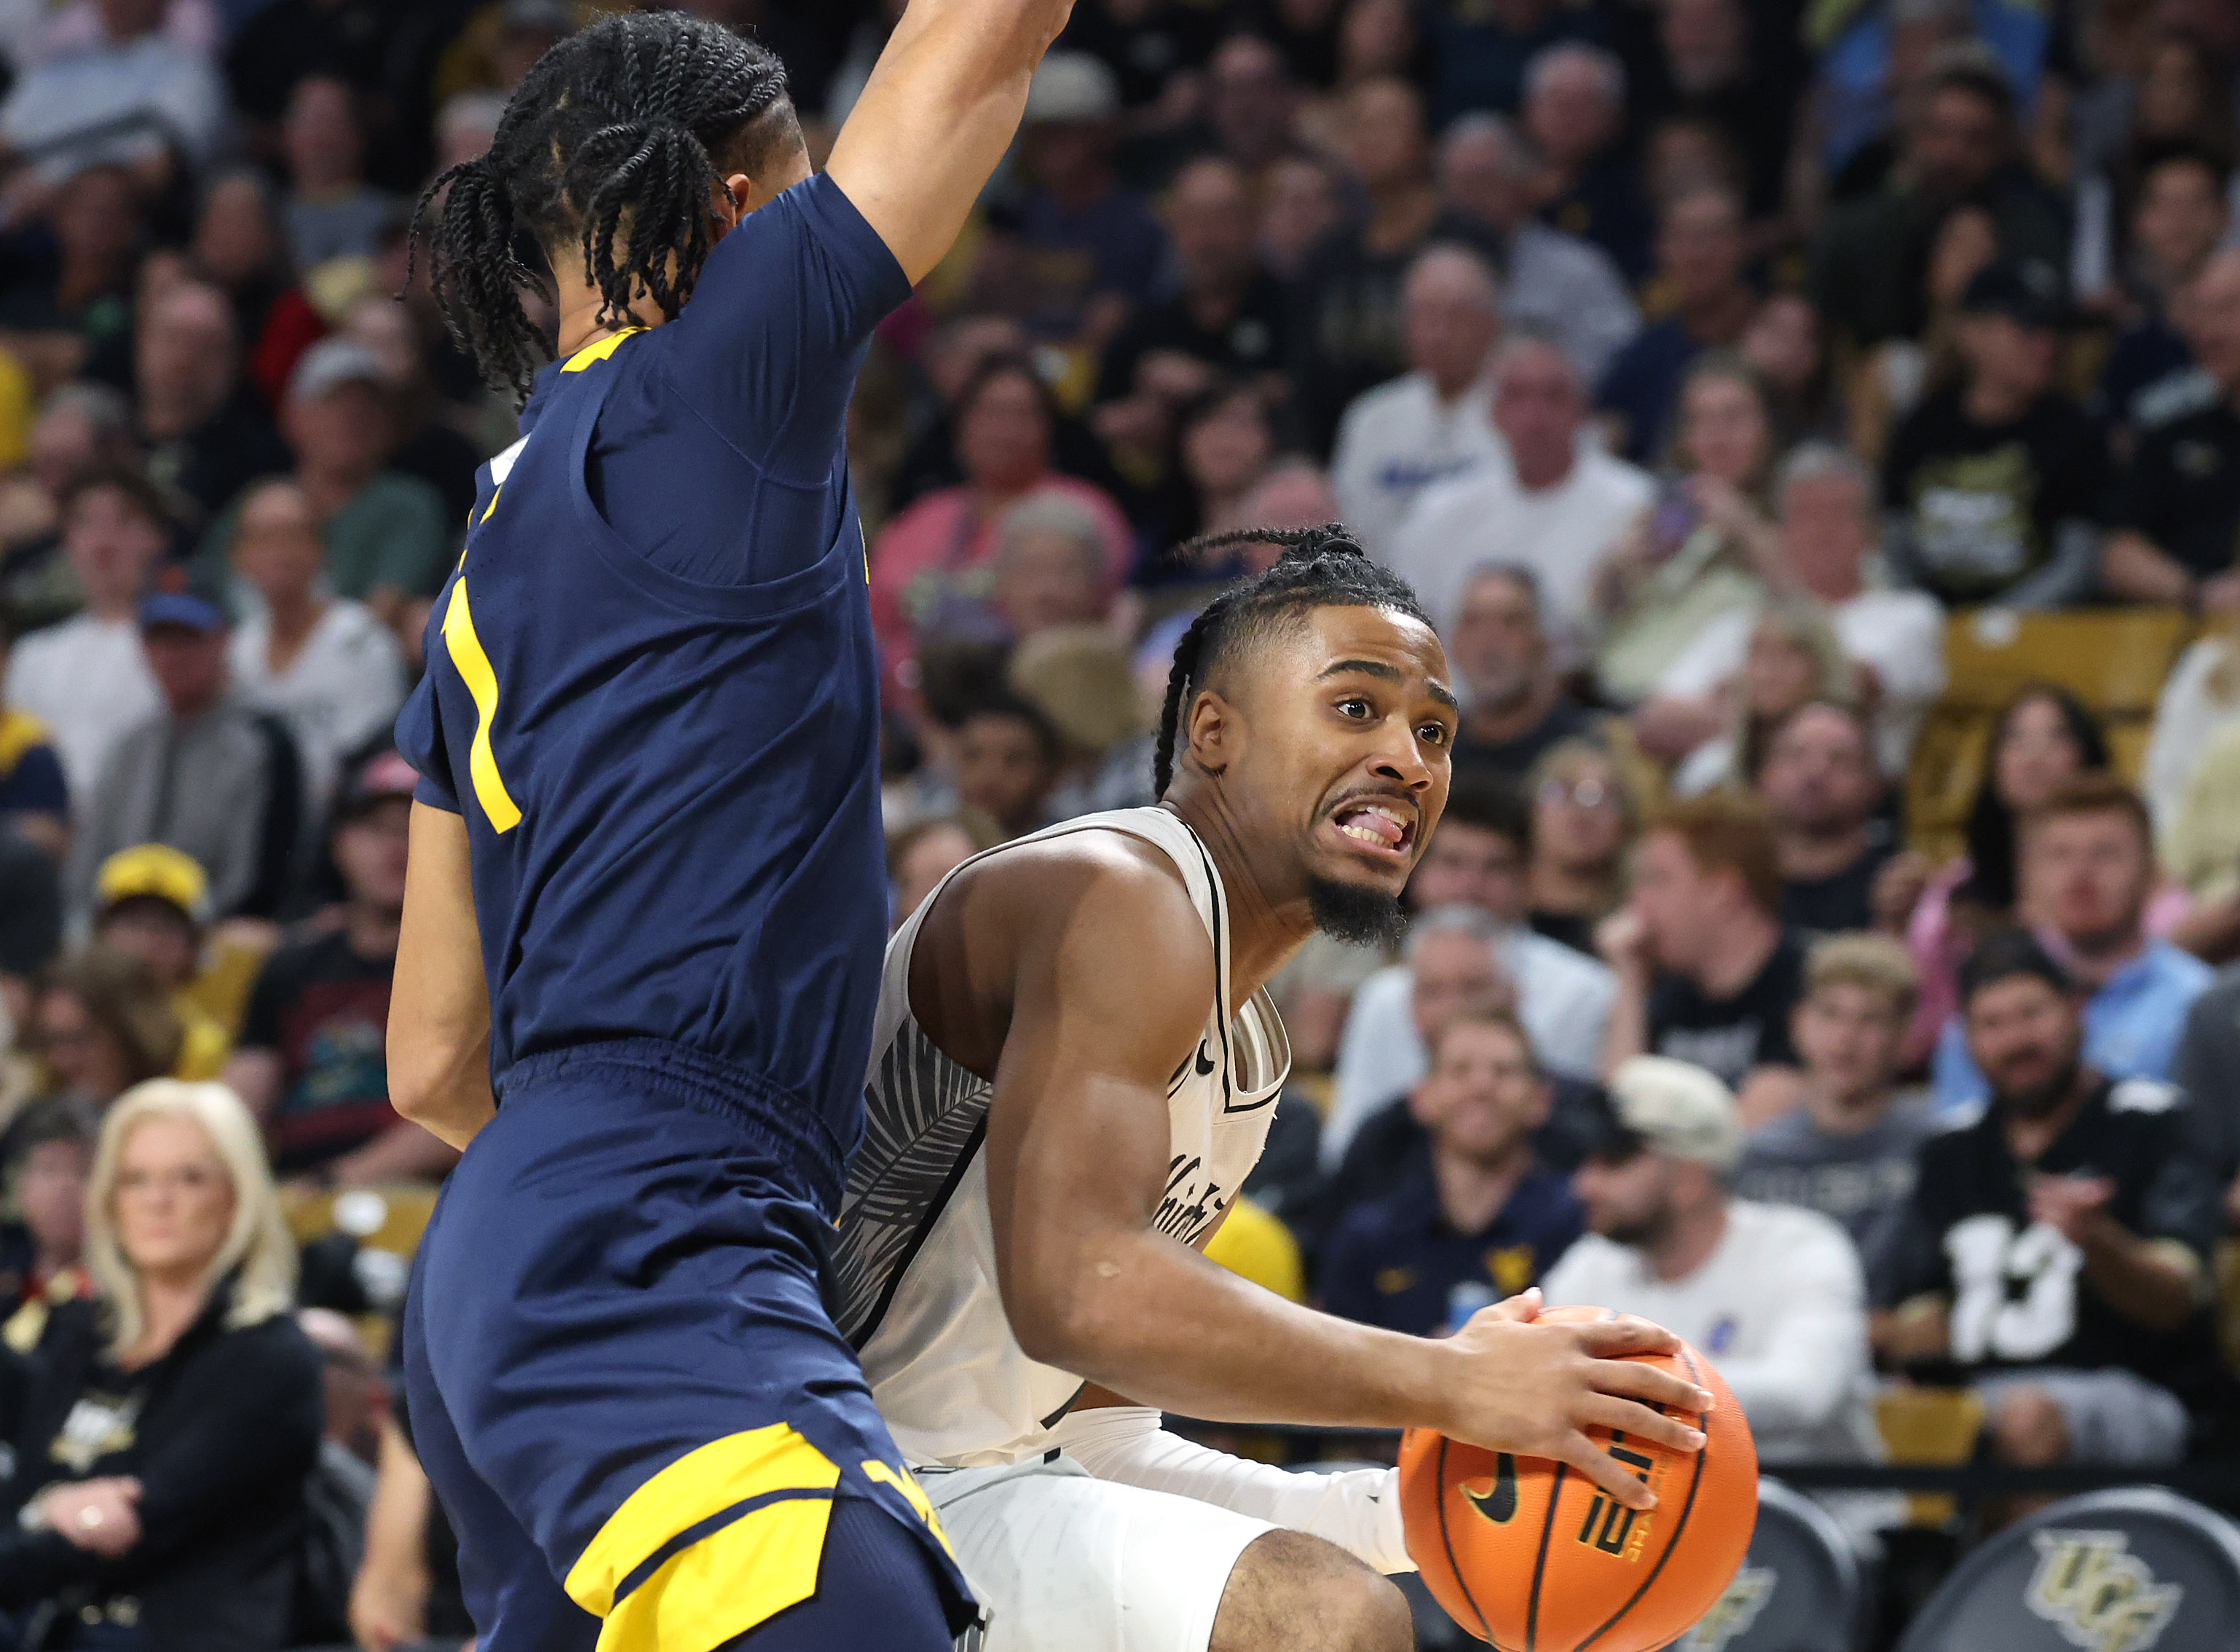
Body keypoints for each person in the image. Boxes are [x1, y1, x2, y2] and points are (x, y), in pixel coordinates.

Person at [385, 9, 1087, 1646]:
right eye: (790, 189)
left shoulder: (480, 566)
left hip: (499, 1270)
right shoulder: (717, 383)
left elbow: (430, 1061)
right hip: (658, 1223)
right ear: (728, 206)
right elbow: (976, 47)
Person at [836, 524, 1708, 1652]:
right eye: (1357, 708)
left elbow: (1085, 1435)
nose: (1409, 757)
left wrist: (1421, 1510)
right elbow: (1081, 1292)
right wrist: (1452, 1384)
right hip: (826, 1476)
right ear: (1215, 732)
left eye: (1433, 730)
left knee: (1340, 1592)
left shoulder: (1249, 1050)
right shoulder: (1114, 887)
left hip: (954, 1493)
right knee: (1321, 1619)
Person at [1874, 930, 2223, 1470]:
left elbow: (2178, 1300)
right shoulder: (1949, 1150)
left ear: (2078, 1011)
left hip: (2131, 1391)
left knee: (2026, 1417)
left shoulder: (2152, 1122)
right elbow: (1913, 1301)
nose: (2016, 1040)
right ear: (1965, 1039)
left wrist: (2098, 1241)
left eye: (2032, 1014)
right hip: (1977, 1389)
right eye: (1992, 1024)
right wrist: (1916, 1332)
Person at [0, 1080, 321, 1651]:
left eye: (190, 1177)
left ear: (236, 1196)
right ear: (110, 1199)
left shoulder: (270, 1357)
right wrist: (53, 1507)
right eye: (135, 1178)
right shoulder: (82, 1336)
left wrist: (53, 1511)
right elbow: (26, 1490)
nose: (157, 1199)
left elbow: (145, 1521)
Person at [1543, 1056, 1880, 1467]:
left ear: (1689, 1179)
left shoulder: (1801, 1248)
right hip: (1663, 1518)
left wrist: (1617, 1386)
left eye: (1613, 1162)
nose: (1584, 1185)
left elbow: (1803, 1396)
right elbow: (1546, 1378)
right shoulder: (1593, 1262)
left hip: (1817, 1512)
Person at [1332, 776, 1619, 1142]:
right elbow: (1348, 1140)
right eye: (1453, 863)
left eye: (1495, 868)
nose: (1470, 886)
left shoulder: (1586, 992)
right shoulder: (1383, 996)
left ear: (1529, 880)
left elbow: (1576, 1136)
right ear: (1414, 872)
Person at [1643, 443, 1946, 779]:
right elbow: (1653, 725)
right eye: (1804, 515)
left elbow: (1843, 686)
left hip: (1835, 808)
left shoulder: (1910, 616)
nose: (1821, 531)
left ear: (1873, 531)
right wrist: (1767, 698)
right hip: (1714, 806)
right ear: (1780, 534)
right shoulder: (1738, 622)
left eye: (1837, 513)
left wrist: (1734, 698)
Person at [223, 752, 453, 1187]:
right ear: (340, 844)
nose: (395, 846)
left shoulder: (470, 966)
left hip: (417, 1198)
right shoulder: (292, 966)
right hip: (292, 1187)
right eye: (376, 829)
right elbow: (239, 1101)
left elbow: (465, 1112)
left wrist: (334, 1181)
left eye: (414, 824)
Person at [1930, 774, 2212, 1116]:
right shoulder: (1983, 1010)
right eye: (2060, 855)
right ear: (2027, 876)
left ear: (2152, 873)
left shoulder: (2199, 1001)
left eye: (2106, 854)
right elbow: (1960, 1139)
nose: (2080, 875)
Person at [870, 356, 1131, 702]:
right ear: (961, 425)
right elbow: (876, 622)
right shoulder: (921, 518)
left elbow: (1106, 613)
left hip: (1043, 698)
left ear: (1049, 427)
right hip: (911, 707)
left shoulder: (1086, 510)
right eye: (989, 413)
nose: (1005, 430)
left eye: (1022, 414)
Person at [1320, 1010, 1584, 1337]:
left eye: (1504, 1071)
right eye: (1460, 1071)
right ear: (1421, 1098)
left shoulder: (1581, 1224)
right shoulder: (1369, 1237)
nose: (1482, 1086)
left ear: (1541, 1101)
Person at [1387, 332, 1653, 652]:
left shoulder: (1636, 505)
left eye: (1554, 396)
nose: (1536, 418)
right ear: (1493, 412)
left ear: (1581, 410)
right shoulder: (1438, 512)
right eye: (1518, 396)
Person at [66, 582, 305, 924]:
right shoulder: (130, 746)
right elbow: (87, 866)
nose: (170, 656)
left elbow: (261, 879)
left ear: (223, 640)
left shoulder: (264, 742)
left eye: (186, 639)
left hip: (218, 939)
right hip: (115, 941)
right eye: (158, 640)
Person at [1880, 258, 2108, 609]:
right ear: (1972, 334)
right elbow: (1893, 540)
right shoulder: (1922, 428)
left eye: (2053, 330)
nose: (2046, 345)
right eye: (2027, 329)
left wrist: (1995, 625)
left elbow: (2079, 563)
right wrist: (1925, 614)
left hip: (2039, 640)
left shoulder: (2074, 434)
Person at [197, 340, 454, 628]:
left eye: (368, 403)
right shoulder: (260, 504)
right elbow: (206, 589)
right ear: (293, 416)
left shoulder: (408, 505)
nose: (352, 416)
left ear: (389, 423)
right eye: (334, 401)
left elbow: (383, 610)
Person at [1598, 791, 1806, 1110]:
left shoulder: (1804, 985)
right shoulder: (1670, 996)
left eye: (1658, 880)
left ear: (1722, 891)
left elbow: (1749, 1135)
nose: (1637, 903)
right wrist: (1628, 980)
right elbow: (1618, 1114)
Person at [1593, 352, 1780, 705]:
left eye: (1733, 417)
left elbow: (1815, 619)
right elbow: (1592, 622)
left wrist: (1745, 530)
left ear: (1768, 428)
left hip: (1711, 716)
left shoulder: (1796, 517)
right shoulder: (1659, 514)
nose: (1717, 436)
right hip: (1614, 700)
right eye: (1700, 421)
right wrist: (1618, 567)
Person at [1733, 933, 1936, 1251]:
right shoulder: (1755, 1158)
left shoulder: (1935, 1145)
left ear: (1904, 1035)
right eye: (1830, 1014)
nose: (1846, 1038)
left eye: (1870, 1019)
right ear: (1797, 1024)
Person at [224, 477, 409, 811]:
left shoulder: (362, 642)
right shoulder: (237, 652)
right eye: (263, 538)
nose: (279, 552)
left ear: (320, 548)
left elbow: (371, 761)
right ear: (238, 556)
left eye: (293, 536)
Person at [1432, 113, 1638, 386]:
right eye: (1458, 182)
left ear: (1520, 183)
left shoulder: (1578, 269)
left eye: (1484, 180)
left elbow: (1616, 360)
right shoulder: (1423, 270)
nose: (1470, 197)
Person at [1329, 243, 1504, 558]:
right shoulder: (1371, 416)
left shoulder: (1520, 413)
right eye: (1425, 316)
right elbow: (1348, 522)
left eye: (1456, 316)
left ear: (1491, 323)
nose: (1438, 334)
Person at [1, 470, 165, 804]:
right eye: (85, 523)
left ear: (156, 537)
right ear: (68, 540)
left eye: (122, 522)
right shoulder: (34, 655)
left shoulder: (178, 647)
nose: (103, 542)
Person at [2104, 249, 2240, 610]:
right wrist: (2199, 592)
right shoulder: (2172, 433)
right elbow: (2119, 555)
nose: (2208, 331)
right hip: (2198, 638)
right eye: (2201, 312)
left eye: (2228, 309)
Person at [1593, 181, 1759, 464]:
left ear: (1743, 243)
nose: (1701, 254)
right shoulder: (1640, 362)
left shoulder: (1784, 338)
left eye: (1715, 237)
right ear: (1661, 249)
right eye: (1687, 239)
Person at [133, 282, 291, 527]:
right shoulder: (103, 438)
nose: (184, 360)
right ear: (142, 342)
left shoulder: (262, 467)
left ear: (233, 362)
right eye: (172, 338)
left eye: (205, 346)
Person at [1443, 564, 1600, 782]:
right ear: (1454, 644)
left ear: (1543, 641)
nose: (1490, 641)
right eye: (1473, 623)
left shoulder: (1593, 745)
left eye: (1511, 622)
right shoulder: (1434, 761)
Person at [88, 845, 229, 1082]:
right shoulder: (68, 1019)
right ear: (100, 933)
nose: (147, 942)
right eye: (132, 923)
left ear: (193, 945)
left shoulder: (204, 1044)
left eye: (165, 926)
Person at [1754, 701, 1894, 936]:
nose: (1814, 772)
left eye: (1839, 760)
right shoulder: (1734, 882)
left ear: (1872, 783)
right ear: (1764, 775)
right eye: (1796, 755)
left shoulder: (1894, 885)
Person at [1523, 42, 1652, 282]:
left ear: (1614, 115)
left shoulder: (1637, 191)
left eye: (1584, 106)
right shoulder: (1508, 181)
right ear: (1531, 109)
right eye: (1559, 104)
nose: (1568, 119)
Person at [28, 948, 180, 1115]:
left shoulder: (183, 1116)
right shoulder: (35, 1126)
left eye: (79, 1039)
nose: (62, 1060)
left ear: (130, 1036)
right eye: (51, 1041)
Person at [1524, 739, 1638, 957]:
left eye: (1601, 798)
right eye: (1561, 793)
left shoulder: (1638, 926)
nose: (1581, 813)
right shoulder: (1500, 908)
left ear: (1626, 821)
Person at [0, 1099, 93, 1351]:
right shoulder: (9, 1270)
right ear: (17, 1185)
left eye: (83, 1171)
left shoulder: (114, 1296)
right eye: (49, 1169)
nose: (65, 1187)